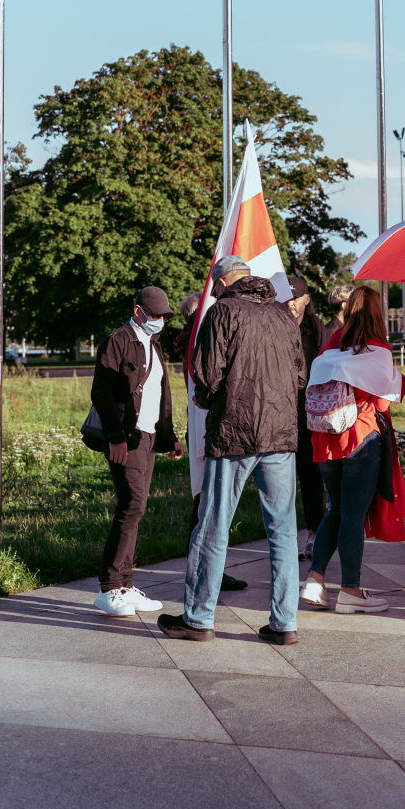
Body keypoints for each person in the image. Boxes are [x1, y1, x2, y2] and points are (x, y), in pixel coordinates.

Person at [159, 259, 305, 646]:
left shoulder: (221, 310)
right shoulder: (283, 314)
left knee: (212, 525)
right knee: (283, 530)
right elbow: (300, 374)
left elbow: (206, 375)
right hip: (281, 434)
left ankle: (198, 618)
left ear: (221, 281)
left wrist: (209, 402)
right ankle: (284, 622)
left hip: (234, 433)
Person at [301, 286, 405, 614]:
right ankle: (350, 590)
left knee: (335, 510)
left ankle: (315, 581)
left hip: (324, 438)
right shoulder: (378, 351)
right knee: (353, 515)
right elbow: (381, 403)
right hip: (359, 436)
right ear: (376, 315)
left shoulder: (330, 347)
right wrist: (396, 380)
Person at [92, 286, 184, 617]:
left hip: (147, 436)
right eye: (155, 315)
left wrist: (170, 436)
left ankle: (125, 585)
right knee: (132, 504)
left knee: (137, 508)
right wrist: (115, 437)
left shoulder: (153, 345)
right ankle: (109, 588)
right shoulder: (117, 341)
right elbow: (101, 392)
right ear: (137, 312)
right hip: (125, 437)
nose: (159, 320)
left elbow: (162, 394)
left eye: (163, 316)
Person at [171, 283, 248, 594]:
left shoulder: (190, 340)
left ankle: (207, 568)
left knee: (206, 501)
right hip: (208, 426)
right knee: (209, 503)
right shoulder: (200, 340)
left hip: (201, 425)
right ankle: (205, 571)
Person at [288, 274, 327, 557]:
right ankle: (284, 535)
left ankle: (314, 533)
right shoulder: (274, 324)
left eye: (296, 296)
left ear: (306, 299)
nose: (291, 302)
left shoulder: (315, 327)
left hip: (309, 413)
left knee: (311, 475)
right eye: (287, 296)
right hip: (279, 413)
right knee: (280, 477)